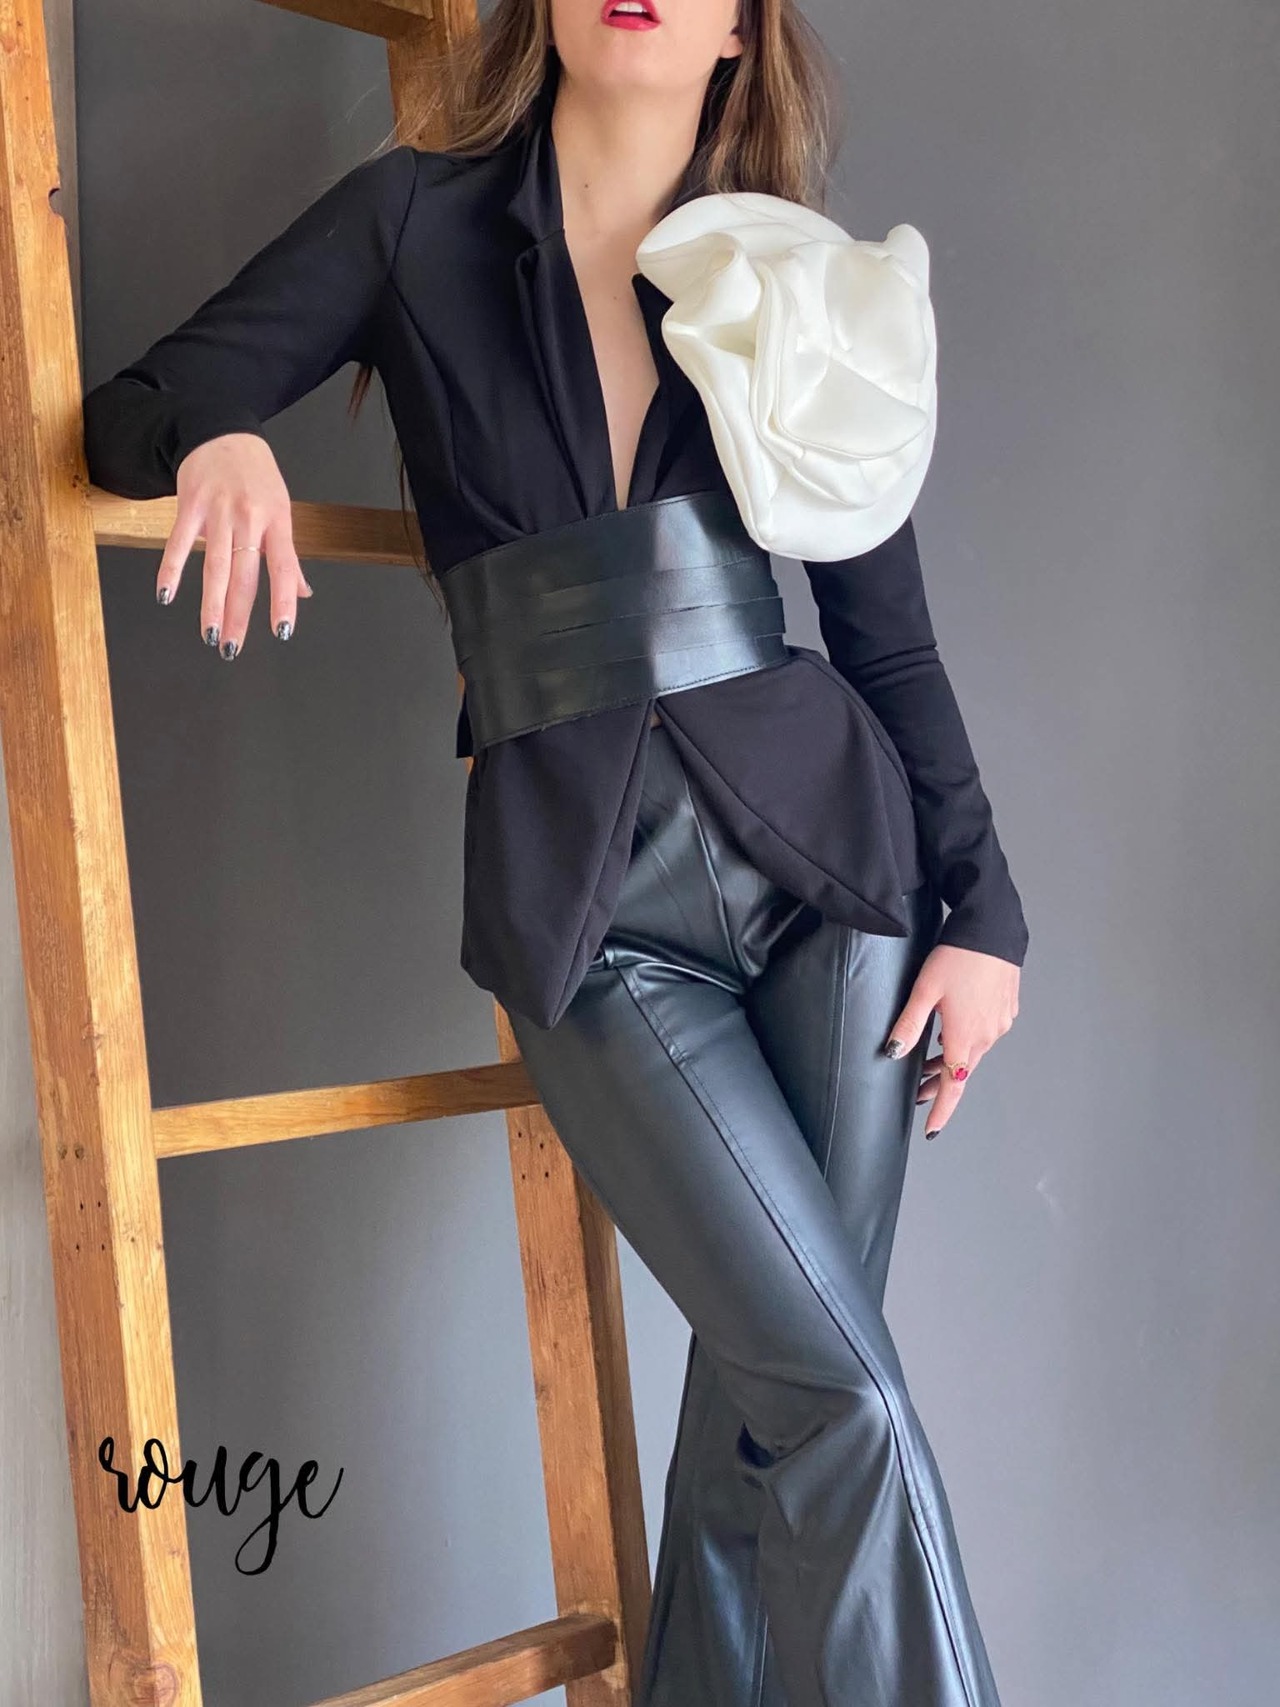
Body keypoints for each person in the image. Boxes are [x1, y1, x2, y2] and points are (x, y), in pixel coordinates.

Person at [82, 3, 1027, 1702]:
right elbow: (139, 403)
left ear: (740, 31)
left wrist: (990, 918)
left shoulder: (799, 276)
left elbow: (886, 638)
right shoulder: (413, 217)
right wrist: (217, 436)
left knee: (772, 1409)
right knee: (837, 1400)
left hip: (845, 888)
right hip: (588, 907)